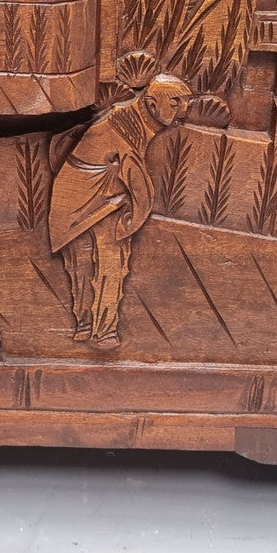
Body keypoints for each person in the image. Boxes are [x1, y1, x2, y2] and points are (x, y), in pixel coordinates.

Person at [48, 73, 191, 348]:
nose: (182, 113)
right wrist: (131, 221)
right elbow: (139, 187)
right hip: (90, 199)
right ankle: (103, 333)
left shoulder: (127, 119)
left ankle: (86, 327)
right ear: (150, 105)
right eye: (175, 103)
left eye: (186, 104)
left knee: (83, 262)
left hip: (80, 197)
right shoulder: (123, 126)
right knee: (110, 263)